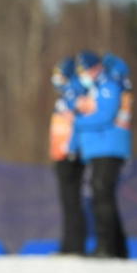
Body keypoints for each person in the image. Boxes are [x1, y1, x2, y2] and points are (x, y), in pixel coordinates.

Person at [73, 50, 131, 258]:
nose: (84, 74)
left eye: (85, 69)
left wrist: (77, 122)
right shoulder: (99, 87)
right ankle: (117, 248)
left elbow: (106, 116)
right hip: (100, 147)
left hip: (108, 147)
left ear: (96, 67)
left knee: (102, 198)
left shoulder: (108, 85)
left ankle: (107, 248)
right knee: (104, 198)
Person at [49, 56, 87, 254]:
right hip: (61, 153)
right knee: (67, 203)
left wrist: (72, 149)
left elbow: (77, 125)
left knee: (72, 202)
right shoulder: (66, 95)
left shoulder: (75, 93)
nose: (55, 79)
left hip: (69, 154)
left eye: (59, 74)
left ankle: (74, 246)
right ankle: (68, 245)